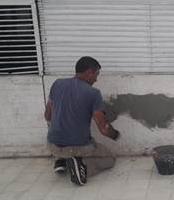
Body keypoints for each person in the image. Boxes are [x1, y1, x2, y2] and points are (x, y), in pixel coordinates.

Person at [44, 56, 120, 186]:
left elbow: (47, 116)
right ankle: (82, 166)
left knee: (56, 125)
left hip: (53, 145)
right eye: (96, 75)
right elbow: (104, 129)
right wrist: (115, 134)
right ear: (89, 72)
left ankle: (61, 159)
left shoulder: (57, 84)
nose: (96, 79)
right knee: (110, 159)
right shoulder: (93, 93)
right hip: (78, 147)